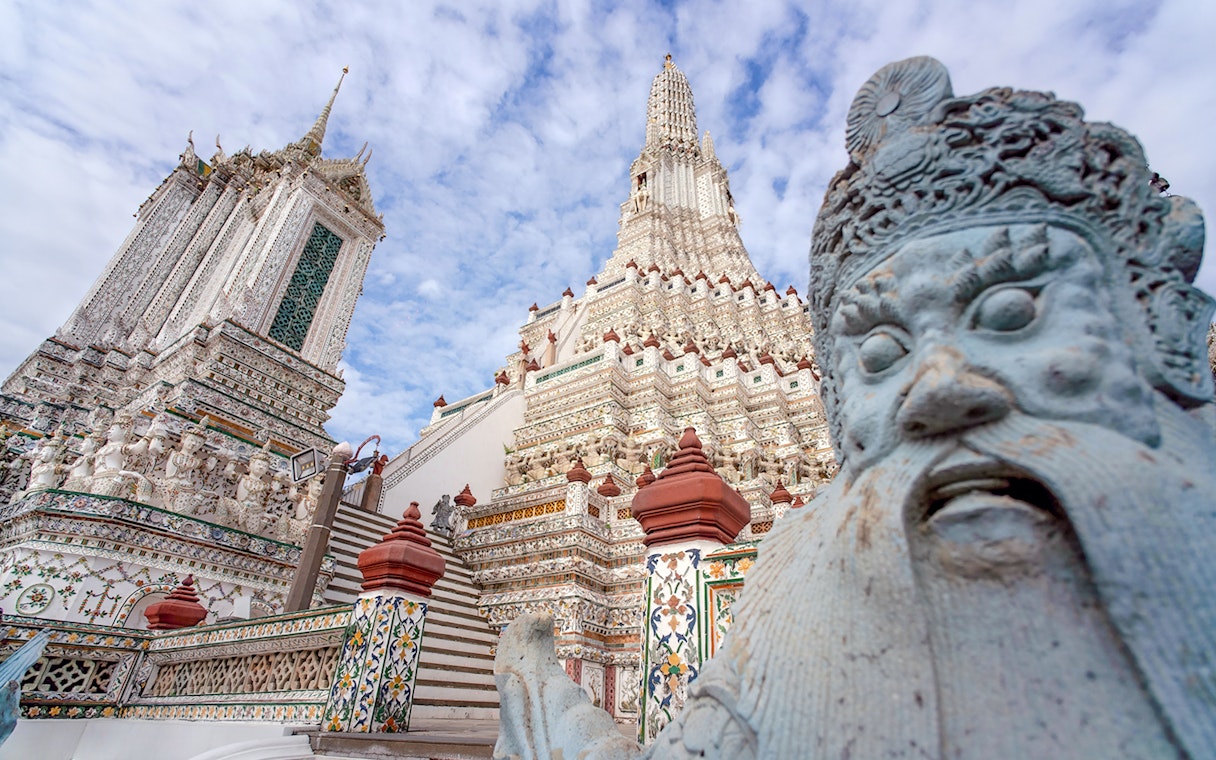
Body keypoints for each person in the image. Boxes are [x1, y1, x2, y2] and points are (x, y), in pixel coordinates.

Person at [493, 56, 1216, 759]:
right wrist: (539, 699)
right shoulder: (797, 585)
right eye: (880, 353)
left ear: (1161, 334)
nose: (935, 389)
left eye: (1010, 314)